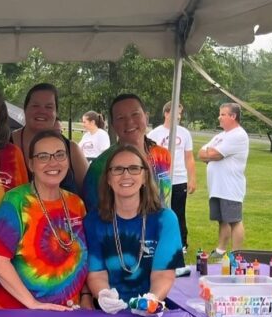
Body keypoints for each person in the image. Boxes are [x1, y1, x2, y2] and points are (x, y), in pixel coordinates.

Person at [0, 130, 88, 310]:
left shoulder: (75, 203)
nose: (53, 162)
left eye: (59, 155)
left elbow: (85, 257)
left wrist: (85, 296)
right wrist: (33, 304)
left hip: (69, 313)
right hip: (18, 316)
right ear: (31, 164)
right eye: (43, 156)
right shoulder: (14, 202)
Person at [85, 145, 183, 314]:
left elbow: (163, 275)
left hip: (151, 311)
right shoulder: (93, 221)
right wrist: (103, 294)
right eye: (117, 169)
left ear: (145, 176)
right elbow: (97, 274)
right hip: (107, 313)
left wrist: (151, 300)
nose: (126, 175)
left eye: (134, 168)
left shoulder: (165, 219)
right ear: (108, 178)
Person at [81, 93, 172, 212]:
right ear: (113, 125)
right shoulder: (100, 167)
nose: (129, 122)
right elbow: (94, 213)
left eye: (135, 114)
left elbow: (165, 200)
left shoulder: (162, 156)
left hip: (161, 227)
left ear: (146, 117)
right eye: (120, 118)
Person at [11, 83, 89, 194]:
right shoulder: (4, 144)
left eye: (49, 107)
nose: (42, 111)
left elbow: (91, 194)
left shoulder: (72, 150)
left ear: (56, 113)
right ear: (25, 109)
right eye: (35, 106)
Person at [198, 102, 250, 259]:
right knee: (222, 220)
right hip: (217, 187)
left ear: (233, 116)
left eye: (222, 114)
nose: (219, 117)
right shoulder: (220, 136)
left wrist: (211, 154)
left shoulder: (239, 135)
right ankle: (220, 250)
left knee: (234, 220)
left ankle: (236, 255)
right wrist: (210, 154)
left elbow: (215, 154)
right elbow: (201, 153)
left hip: (230, 187)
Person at [147, 102, 197, 250]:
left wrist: (192, 178)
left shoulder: (184, 133)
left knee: (178, 212)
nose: (179, 116)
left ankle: (181, 243)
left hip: (179, 179)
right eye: (176, 112)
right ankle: (159, 240)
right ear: (166, 113)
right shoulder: (155, 134)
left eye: (180, 113)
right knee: (158, 211)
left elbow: (189, 157)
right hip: (160, 180)